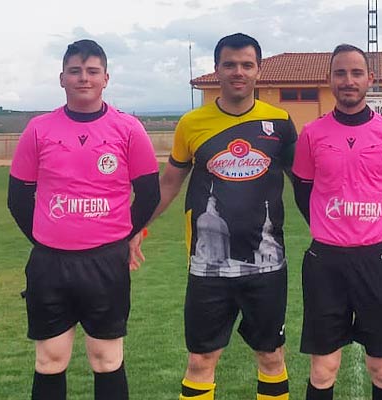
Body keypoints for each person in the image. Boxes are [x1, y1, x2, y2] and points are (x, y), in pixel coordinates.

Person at [139, 33, 297, 400]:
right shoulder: (192, 124)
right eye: (229, 64)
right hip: (207, 268)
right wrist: (136, 227)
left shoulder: (280, 122)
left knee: (271, 356)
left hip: (267, 265)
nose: (238, 72)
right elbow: (169, 184)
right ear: (217, 70)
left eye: (246, 64)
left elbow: (306, 183)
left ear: (259, 70)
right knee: (200, 360)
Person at [7, 39, 161, 400]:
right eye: (75, 71)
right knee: (50, 359)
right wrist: (48, 237)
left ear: (106, 78)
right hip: (50, 263)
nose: (83, 79)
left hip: (105, 262)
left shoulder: (128, 129)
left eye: (92, 71)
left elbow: (149, 194)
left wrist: (122, 235)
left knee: (106, 359)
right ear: (62, 78)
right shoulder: (38, 129)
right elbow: (17, 199)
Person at [291, 44, 382, 400]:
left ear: (370, 80)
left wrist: (377, 234)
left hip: (376, 262)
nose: (349, 80)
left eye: (356, 73)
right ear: (329, 80)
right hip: (325, 263)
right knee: (323, 369)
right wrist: (330, 225)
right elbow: (303, 192)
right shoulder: (312, 134)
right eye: (341, 73)